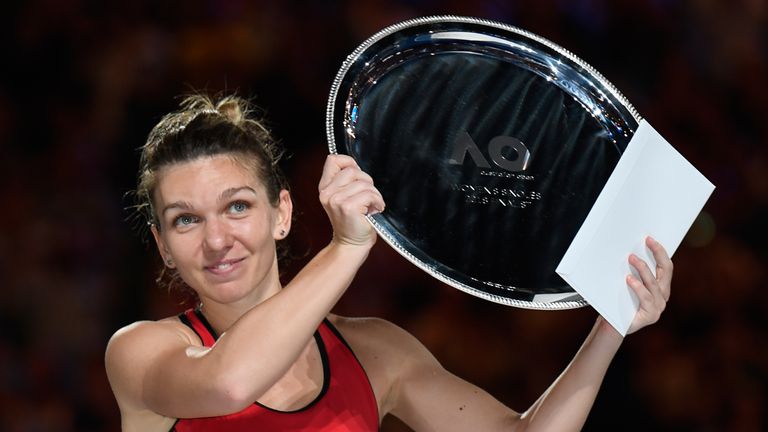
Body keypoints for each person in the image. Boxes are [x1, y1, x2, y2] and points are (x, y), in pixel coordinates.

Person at [105, 94, 673, 431]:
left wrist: (609, 324)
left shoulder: (376, 352)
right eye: (185, 220)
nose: (216, 240)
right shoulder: (139, 353)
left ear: (282, 213)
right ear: (161, 244)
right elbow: (229, 385)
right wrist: (346, 248)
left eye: (237, 206)